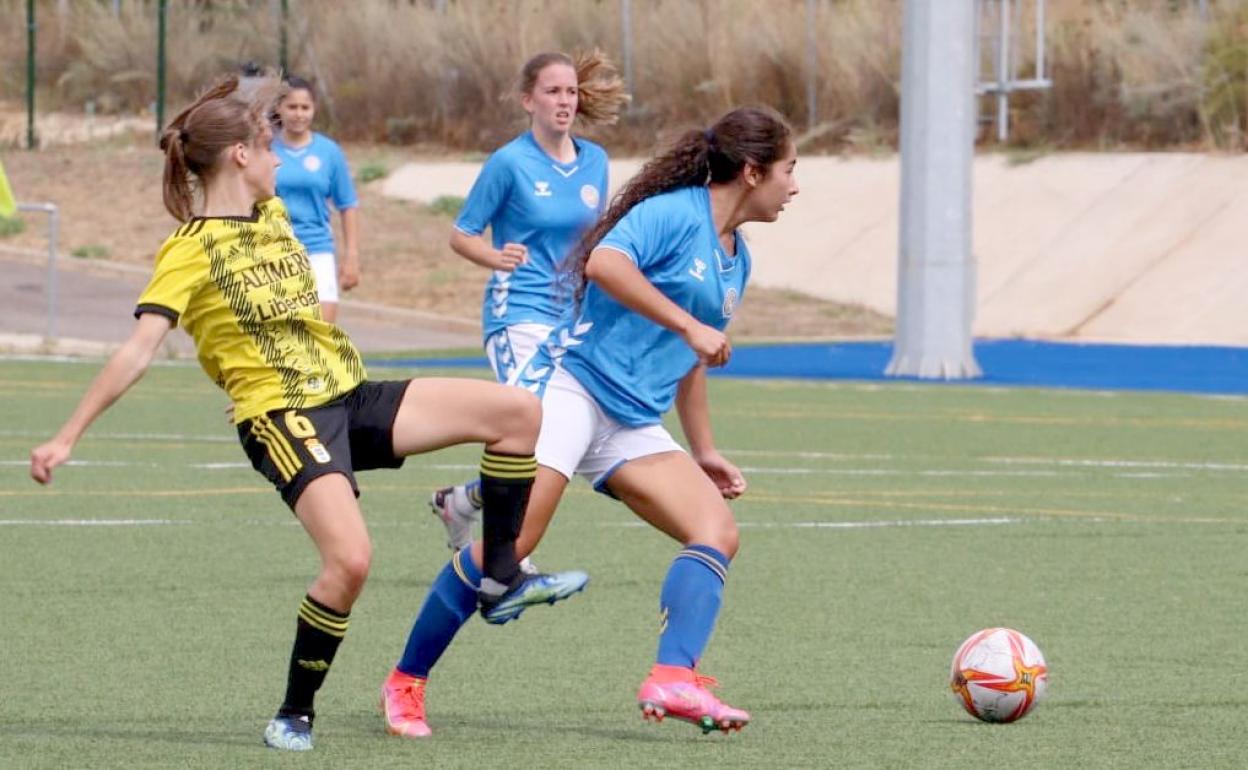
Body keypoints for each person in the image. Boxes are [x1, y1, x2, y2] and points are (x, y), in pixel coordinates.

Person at [27, 74, 587, 753]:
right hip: (282, 417)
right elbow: (139, 350)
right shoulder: (189, 249)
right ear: (239, 154)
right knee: (350, 561)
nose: (278, 160)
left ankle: (499, 577)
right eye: (268, 148)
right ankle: (294, 711)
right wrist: (66, 436)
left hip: (348, 396)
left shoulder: (272, 215)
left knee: (516, 412)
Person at [381, 106, 799, 737]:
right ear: (751, 171)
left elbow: (691, 358)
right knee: (513, 546)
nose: (794, 186)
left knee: (716, 531)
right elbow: (605, 264)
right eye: (790, 170)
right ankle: (405, 682)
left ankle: (674, 679)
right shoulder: (673, 213)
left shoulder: (737, 259)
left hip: (632, 420)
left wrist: (704, 449)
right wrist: (689, 323)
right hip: (570, 388)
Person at [429, 50, 629, 574]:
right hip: (516, 312)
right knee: (529, 425)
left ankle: (464, 502)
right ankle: (508, 551)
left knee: (556, 429)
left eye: (570, 92)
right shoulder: (509, 163)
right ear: (528, 100)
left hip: (569, 316)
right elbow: (461, 233)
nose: (564, 101)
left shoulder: (595, 162)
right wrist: (495, 257)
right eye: (552, 91)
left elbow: (592, 242)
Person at [273, 75, 358, 324]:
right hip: (276, 251)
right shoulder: (265, 148)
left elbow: (348, 204)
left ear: (313, 109)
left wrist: (351, 257)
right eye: (292, 107)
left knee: (321, 337)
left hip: (317, 249)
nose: (299, 114)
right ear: (279, 108)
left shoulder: (329, 152)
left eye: (305, 107)